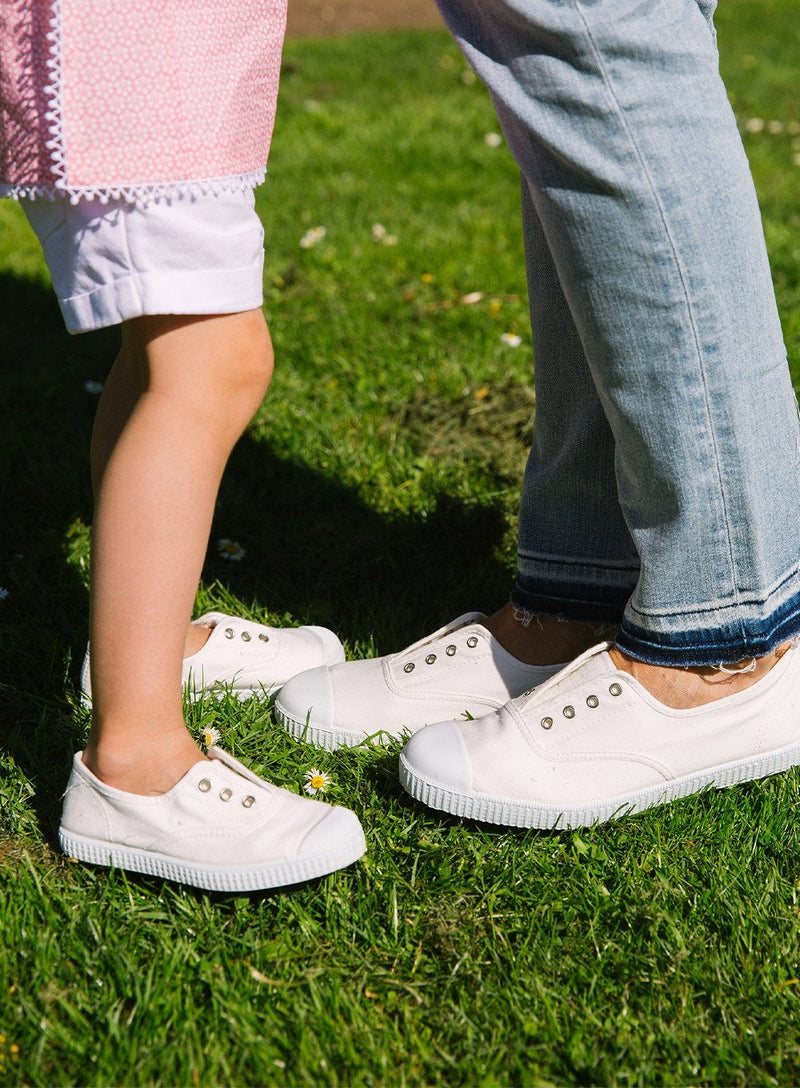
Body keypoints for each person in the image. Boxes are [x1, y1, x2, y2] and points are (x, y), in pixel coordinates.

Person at [276, 0, 800, 828]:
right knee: (576, 56)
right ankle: (587, 588)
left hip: (726, 638)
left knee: (589, 34)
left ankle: (727, 643)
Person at [0, 0, 365, 889]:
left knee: (165, 342)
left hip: (162, 56)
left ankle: (145, 648)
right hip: (119, 55)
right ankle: (134, 763)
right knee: (213, 360)